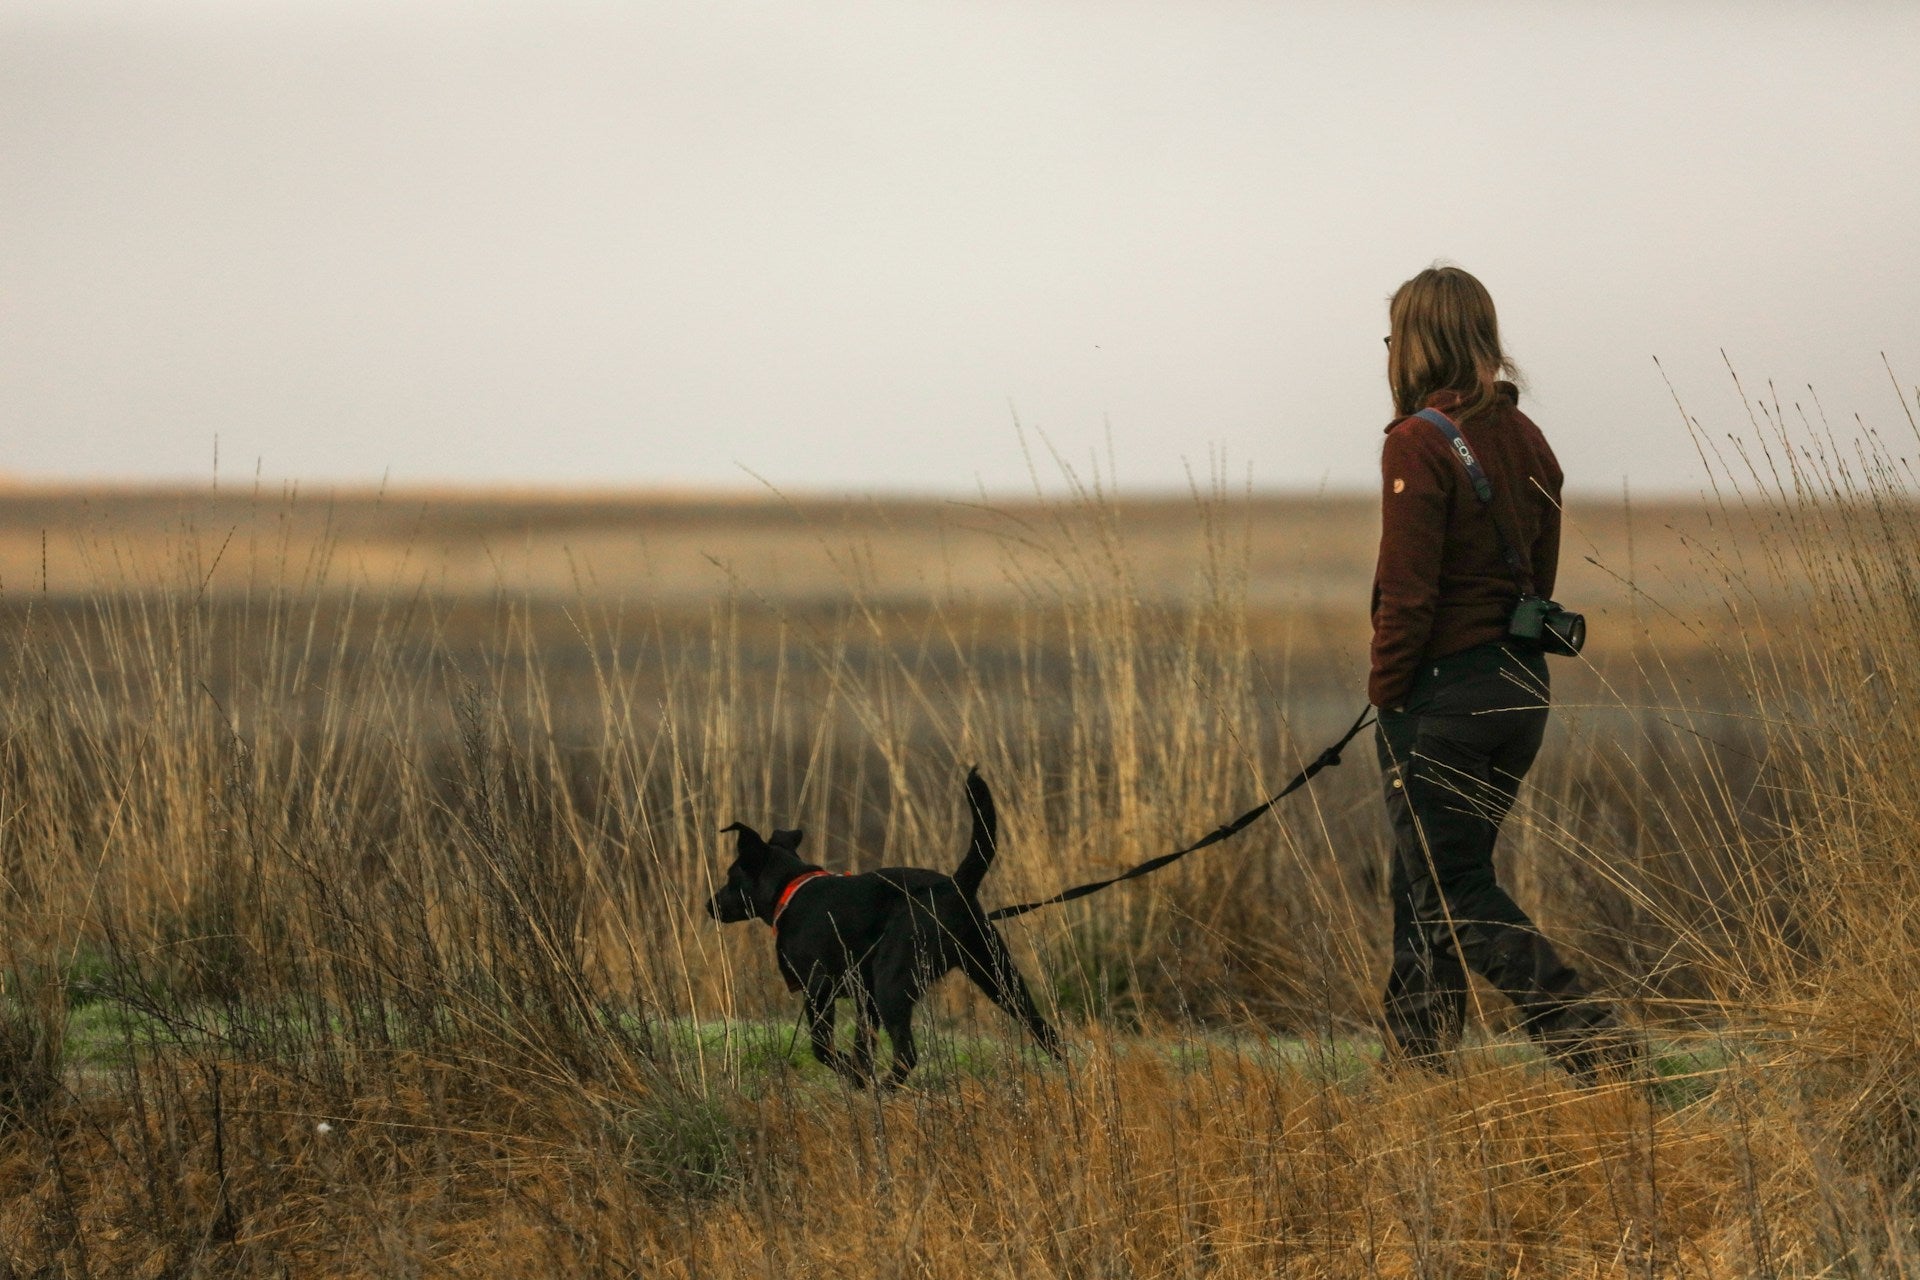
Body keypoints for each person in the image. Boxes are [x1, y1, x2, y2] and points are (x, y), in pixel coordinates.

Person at [1369, 264, 1622, 1079]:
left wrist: (1387, 696)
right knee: (1429, 881)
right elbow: (1536, 580)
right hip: (1520, 690)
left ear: (1417, 343)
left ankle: (1593, 1042)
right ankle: (1417, 1070)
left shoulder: (1415, 442)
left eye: (1393, 335)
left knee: (1450, 891)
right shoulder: (1528, 438)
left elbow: (1406, 597)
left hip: (1443, 699)